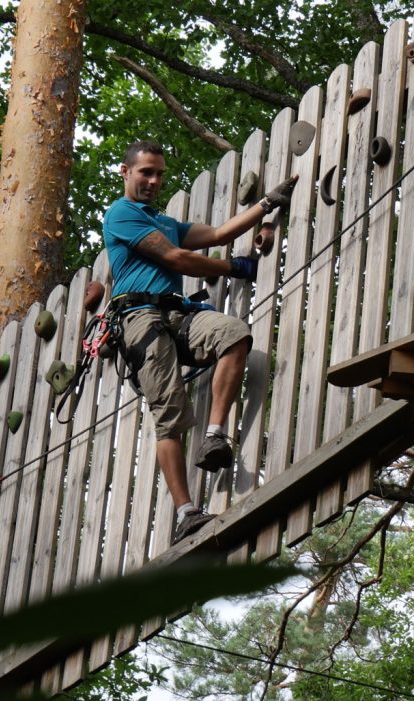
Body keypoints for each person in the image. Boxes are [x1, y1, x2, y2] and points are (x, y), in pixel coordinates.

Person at [103, 140, 297, 544]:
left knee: (233, 335)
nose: (153, 181)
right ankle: (187, 513)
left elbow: (220, 232)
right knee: (169, 413)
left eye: (158, 173)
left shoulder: (165, 221)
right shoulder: (121, 214)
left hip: (177, 313)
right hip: (140, 318)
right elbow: (174, 259)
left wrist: (267, 203)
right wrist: (231, 267)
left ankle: (214, 435)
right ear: (125, 172)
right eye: (145, 173)